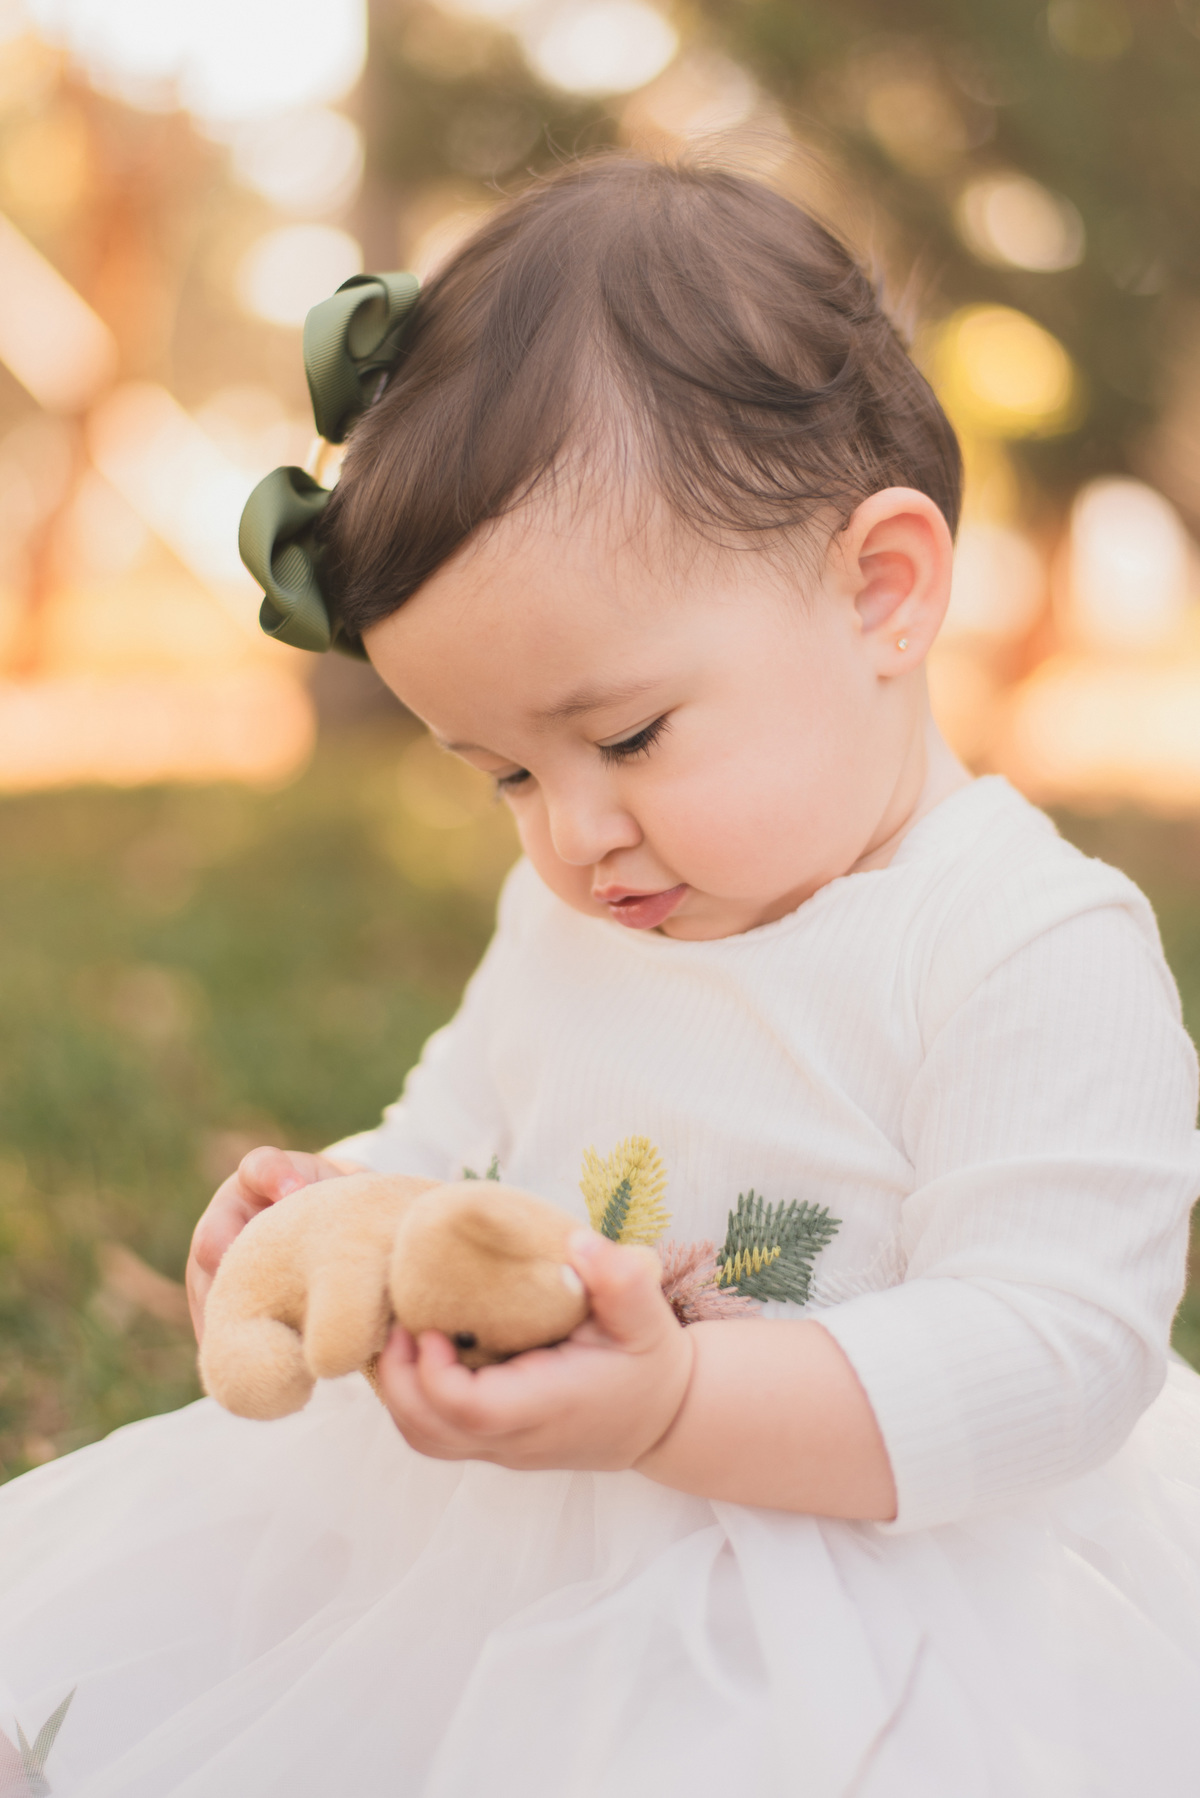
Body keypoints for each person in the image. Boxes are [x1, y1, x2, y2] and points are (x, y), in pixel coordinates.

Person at [2, 155, 1199, 1798]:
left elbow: (1057, 1351)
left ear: (882, 591)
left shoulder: (1023, 946)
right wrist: (339, 1216)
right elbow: (460, 1136)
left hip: (886, 1593)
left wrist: (679, 1401)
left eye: (627, 736)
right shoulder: (584, 901)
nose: (572, 834)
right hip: (521, 1537)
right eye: (502, 772)